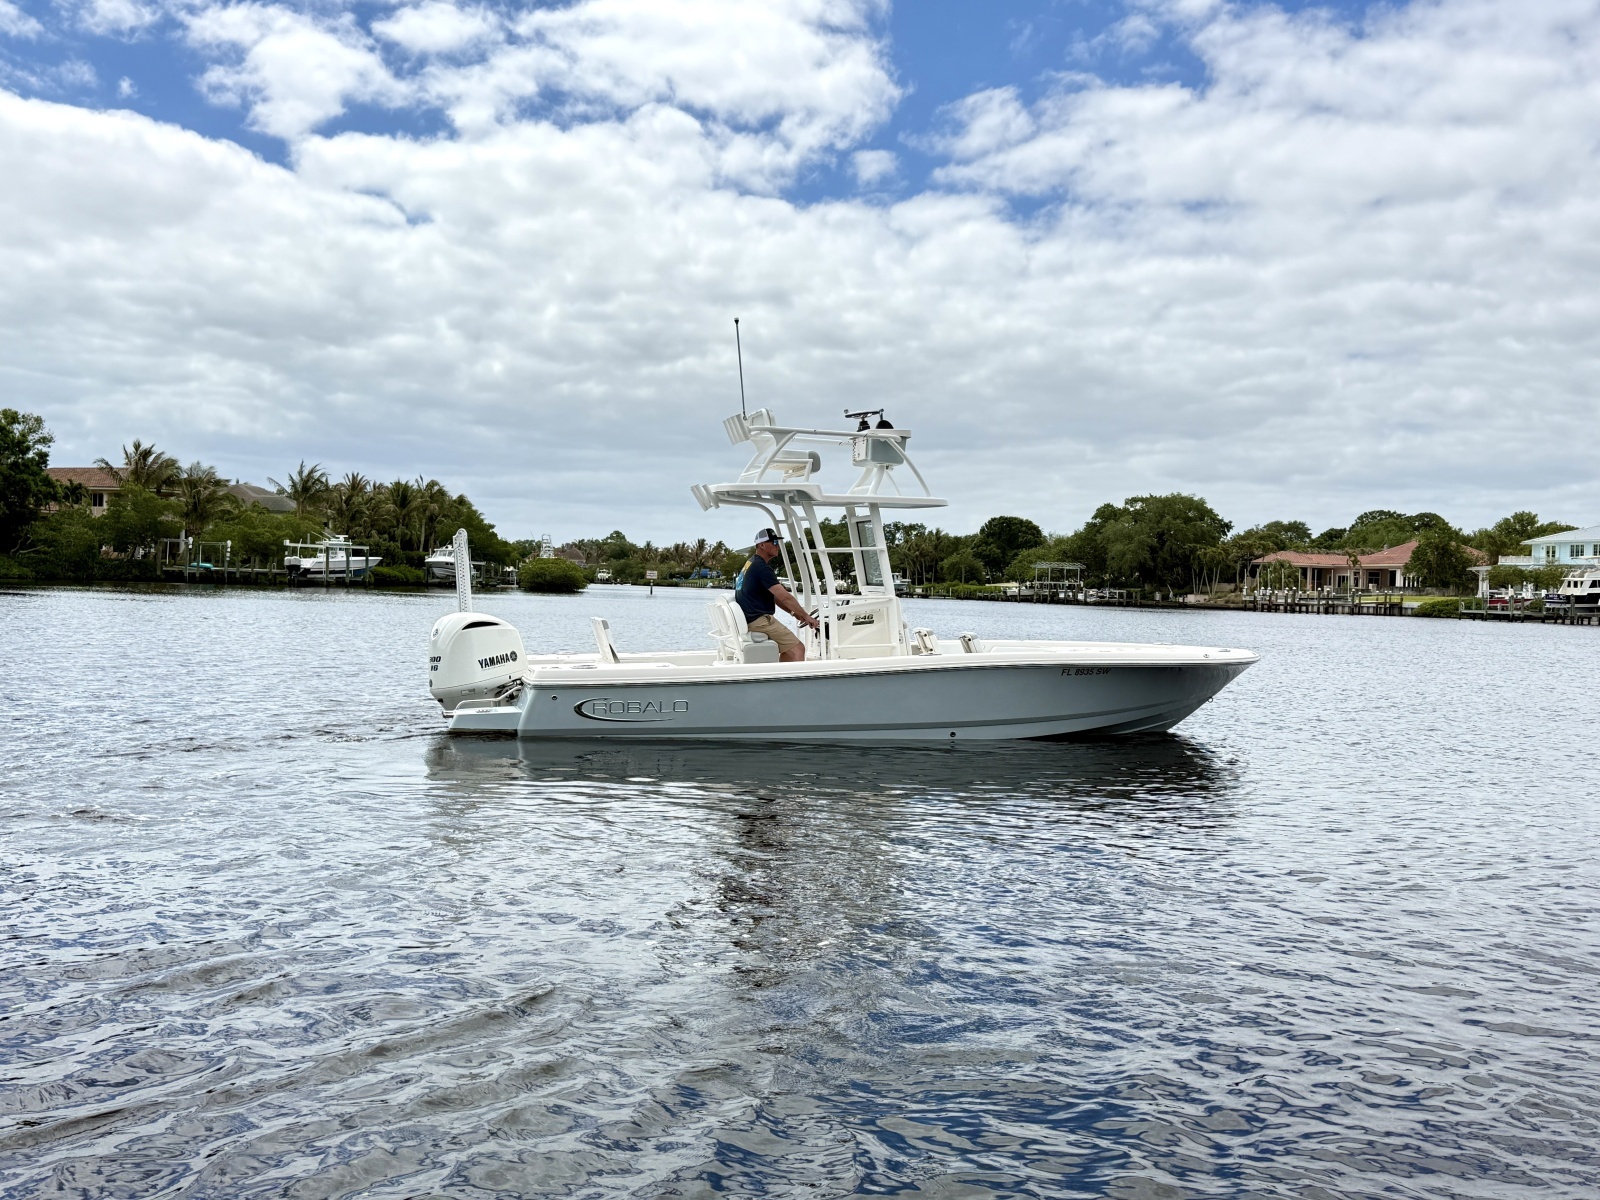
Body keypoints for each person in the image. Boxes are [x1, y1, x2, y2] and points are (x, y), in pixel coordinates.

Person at [735, 528, 820, 663]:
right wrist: (806, 616)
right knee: (798, 649)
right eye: (774, 542)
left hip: (751, 619)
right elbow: (785, 596)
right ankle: (790, 682)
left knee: (789, 649)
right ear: (762, 545)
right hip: (759, 621)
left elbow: (775, 597)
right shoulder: (761, 568)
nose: (777, 545)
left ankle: (780, 677)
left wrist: (794, 612)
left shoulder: (751, 563)